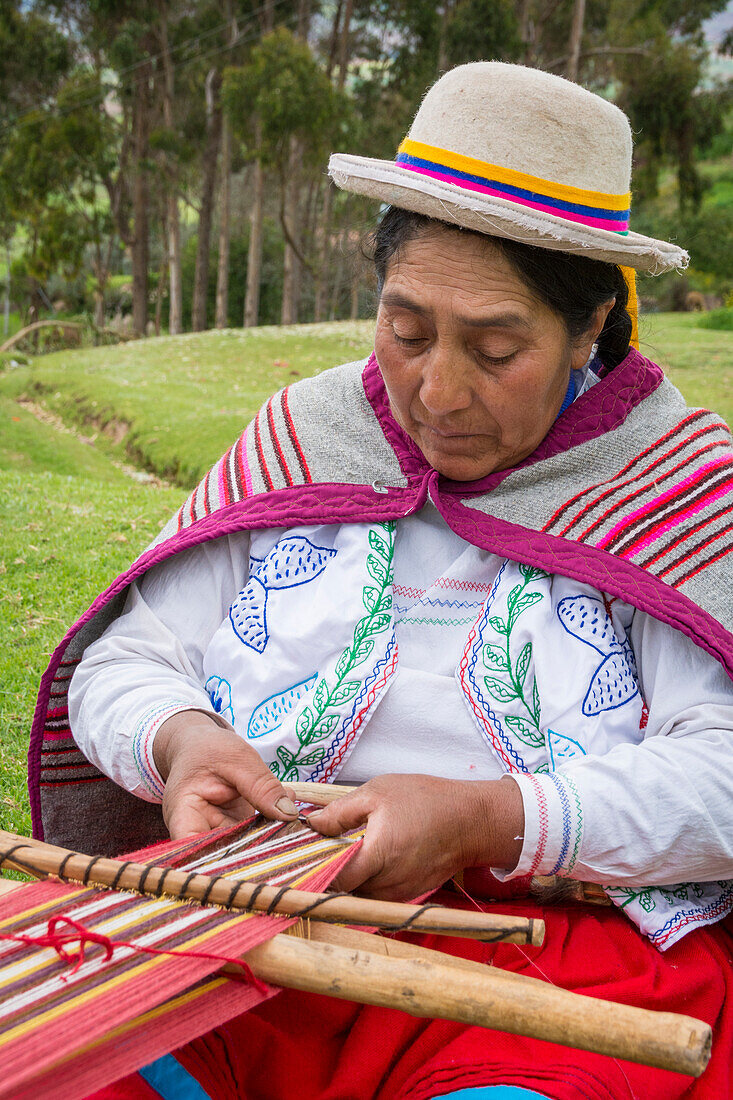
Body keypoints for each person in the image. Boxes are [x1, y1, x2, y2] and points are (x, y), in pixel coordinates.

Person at [30, 62, 733, 1099]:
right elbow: (130, 657)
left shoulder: (672, 485)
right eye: (406, 331)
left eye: (496, 349)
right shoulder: (307, 438)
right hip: (250, 921)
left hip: (554, 945)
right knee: (71, 1070)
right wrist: (182, 740)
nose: (436, 391)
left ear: (590, 328)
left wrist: (492, 816)